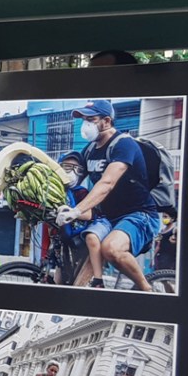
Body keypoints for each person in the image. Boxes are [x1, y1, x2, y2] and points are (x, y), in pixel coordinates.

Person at [55, 100, 160, 291]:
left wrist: (77, 210)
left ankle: (147, 291)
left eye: (91, 119)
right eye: (84, 119)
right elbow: (72, 179)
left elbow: (107, 183)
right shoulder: (88, 151)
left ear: (106, 121)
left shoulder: (123, 144)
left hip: (139, 215)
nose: (86, 124)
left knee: (111, 249)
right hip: (108, 218)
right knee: (77, 255)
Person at [57, 151, 113, 287]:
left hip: (91, 234)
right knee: (58, 281)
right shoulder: (56, 191)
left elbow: (89, 215)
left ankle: (98, 281)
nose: (72, 172)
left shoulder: (81, 192)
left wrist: (69, 211)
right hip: (71, 241)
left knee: (78, 286)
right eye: (67, 167)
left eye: (77, 169)